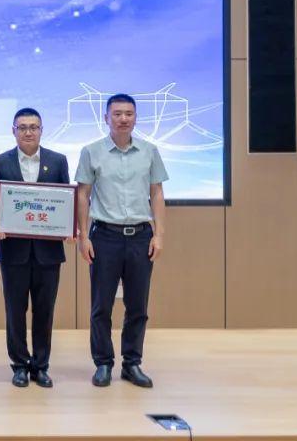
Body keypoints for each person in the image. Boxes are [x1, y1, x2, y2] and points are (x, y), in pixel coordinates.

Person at [75, 93, 167, 389]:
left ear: (136, 117)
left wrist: (159, 234)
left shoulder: (150, 151)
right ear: (106, 118)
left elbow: (156, 193)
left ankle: (132, 363)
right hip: (104, 237)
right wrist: (83, 236)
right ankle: (103, 363)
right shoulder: (91, 152)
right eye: (117, 114)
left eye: (129, 113)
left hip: (141, 237)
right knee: (101, 306)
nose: (123, 118)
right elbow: (82, 195)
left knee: (137, 305)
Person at [0, 108, 70, 388]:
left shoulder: (58, 161)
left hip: (49, 252)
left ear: (42, 130)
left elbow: (64, 200)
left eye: (34, 127)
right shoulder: (0, 162)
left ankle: (41, 366)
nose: (28, 132)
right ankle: (20, 365)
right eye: (22, 127)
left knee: (45, 311)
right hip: (13, 251)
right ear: (13, 131)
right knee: (15, 311)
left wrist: (67, 227)